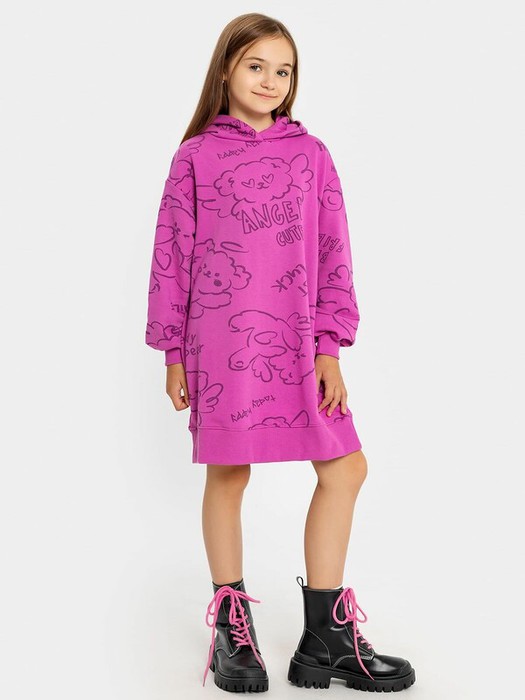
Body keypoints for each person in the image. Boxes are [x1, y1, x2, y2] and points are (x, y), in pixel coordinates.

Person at [145, 12, 416, 695]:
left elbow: (332, 252)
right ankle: (232, 630)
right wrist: (172, 351)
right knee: (228, 474)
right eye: (256, 66)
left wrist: (329, 346)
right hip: (221, 344)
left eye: (283, 70)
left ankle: (324, 638)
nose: (270, 80)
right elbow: (171, 255)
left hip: (298, 344)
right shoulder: (195, 157)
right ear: (226, 70)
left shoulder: (310, 155)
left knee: (345, 467)